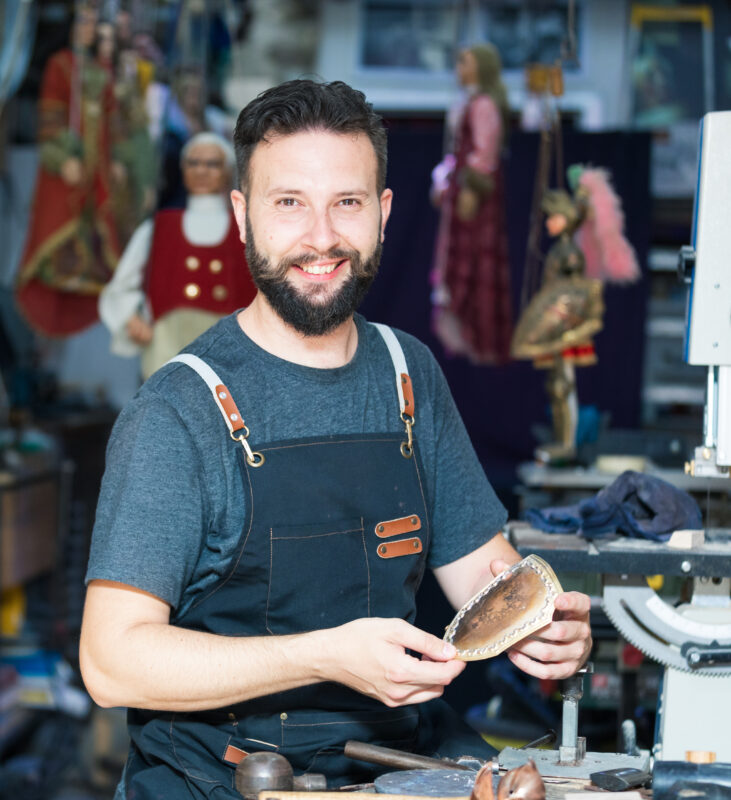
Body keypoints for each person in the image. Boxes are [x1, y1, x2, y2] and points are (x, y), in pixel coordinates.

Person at [80, 79, 592, 799]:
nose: (320, 238)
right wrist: (325, 656)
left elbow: (484, 575)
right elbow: (111, 663)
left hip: (398, 764)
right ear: (242, 216)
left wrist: (536, 624)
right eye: (288, 203)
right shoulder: (180, 408)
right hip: (224, 778)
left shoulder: (407, 372)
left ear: (382, 215)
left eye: (345, 203)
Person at [99, 132, 255, 379]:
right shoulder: (158, 227)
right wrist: (130, 318)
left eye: (212, 164)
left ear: (229, 170)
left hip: (232, 351)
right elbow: (122, 285)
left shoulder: (249, 228)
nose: (201, 171)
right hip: (167, 347)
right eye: (193, 163)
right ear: (182, 169)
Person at [15, 4, 122, 337]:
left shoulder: (98, 69)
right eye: (84, 20)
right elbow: (50, 120)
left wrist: (117, 159)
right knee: (59, 221)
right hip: (70, 167)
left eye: (93, 21)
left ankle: (84, 276)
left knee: (96, 228)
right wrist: (63, 158)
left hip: (98, 169)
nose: (89, 27)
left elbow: (112, 121)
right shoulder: (60, 65)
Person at [430, 43, 513, 364]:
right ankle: (460, 326)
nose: (459, 69)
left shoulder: (484, 105)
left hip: (474, 195)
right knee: (456, 255)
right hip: (459, 188)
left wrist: (470, 188)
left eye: (465, 62)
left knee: (475, 255)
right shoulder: (468, 102)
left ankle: (477, 331)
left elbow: (485, 152)